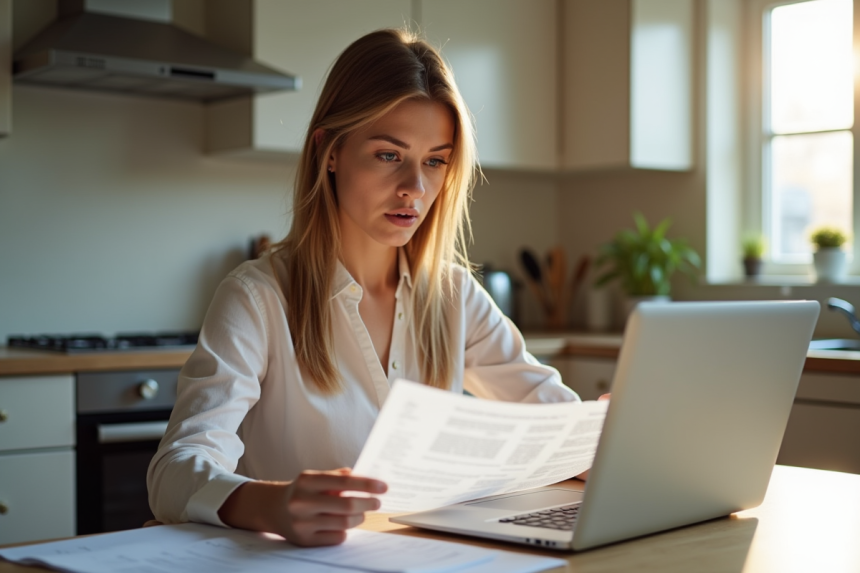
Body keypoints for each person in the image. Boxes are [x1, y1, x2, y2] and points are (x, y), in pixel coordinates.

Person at [147, 28, 583, 547]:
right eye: (387, 155)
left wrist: (595, 439)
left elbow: (555, 418)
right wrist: (273, 503)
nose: (415, 189)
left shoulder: (452, 294)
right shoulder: (257, 296)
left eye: (435, 160)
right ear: (329, 150)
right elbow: (175, 470)